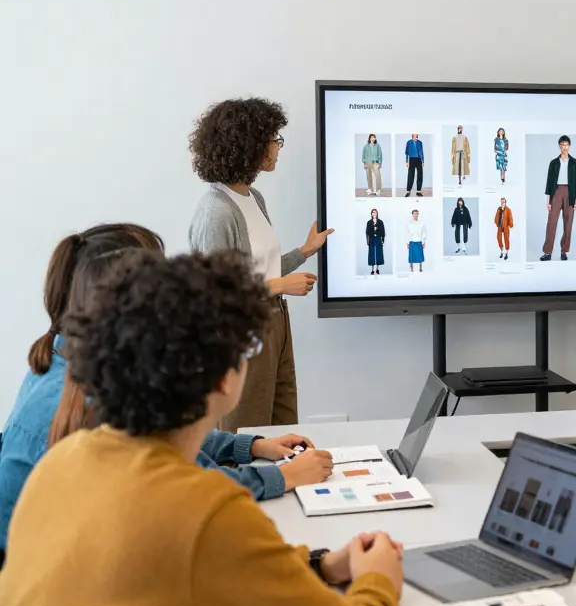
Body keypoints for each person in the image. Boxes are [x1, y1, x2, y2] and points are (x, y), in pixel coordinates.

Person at [0, 251, 402, 606]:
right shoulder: (206, 511)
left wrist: (322, 565)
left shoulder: (64, 461)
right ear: (224, 377)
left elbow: (216, 566)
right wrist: (378, 579)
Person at [0, 226, 334, 567]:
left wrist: (249, 447)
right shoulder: (88, 402)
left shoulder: (65, 361)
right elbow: (187, 486)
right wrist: (285, 477)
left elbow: (167, 440)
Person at [188, 98, 333, 432]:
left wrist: (304, 251)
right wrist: (281, 286)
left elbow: (258, 269)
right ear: (249, 145)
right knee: (246, 430)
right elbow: (216, 292)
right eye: (273, 139)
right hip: (241, 334)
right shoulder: (217, 212)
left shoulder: (253, 198)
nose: (277, 147)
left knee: (282, 426)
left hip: (275, 321)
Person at [541, 135, 576, 261]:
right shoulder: (553, 163)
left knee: (568, 222)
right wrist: (548, 200)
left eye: (566, 145)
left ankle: (564, 251)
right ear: (559, 146)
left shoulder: (575, 163)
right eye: (562, 145)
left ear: (569, 146)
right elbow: (549, 182)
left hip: (571, 192)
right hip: (556, 191)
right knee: (551, 222)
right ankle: (547, 252)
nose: (564, 147)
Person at [366, 208, 386, 274]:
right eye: (373, 212)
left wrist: (382, 240)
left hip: (378, 238)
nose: (374, 213)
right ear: (371, 214)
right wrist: (368, 241)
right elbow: (367, 232)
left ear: (377, 213)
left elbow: (383, 231)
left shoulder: (380, 222)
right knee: (372, 253)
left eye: (375, 212)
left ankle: (377, 268)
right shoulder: (369, 222)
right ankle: (372, 269)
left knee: (378, 253)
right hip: (372, 239)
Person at [405, 132, 425, 197]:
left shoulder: (420, 142)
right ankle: (408, 191)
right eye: (414, 133)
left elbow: (421, 152)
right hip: (412, 159)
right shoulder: (409, 142)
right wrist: (407, 161)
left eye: (416, 133)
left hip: (419, 159)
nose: (415, 134)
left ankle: (418, 191)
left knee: (420, 175)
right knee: (410, 175)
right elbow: (407, 152)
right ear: (412, 135)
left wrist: (422, 161)